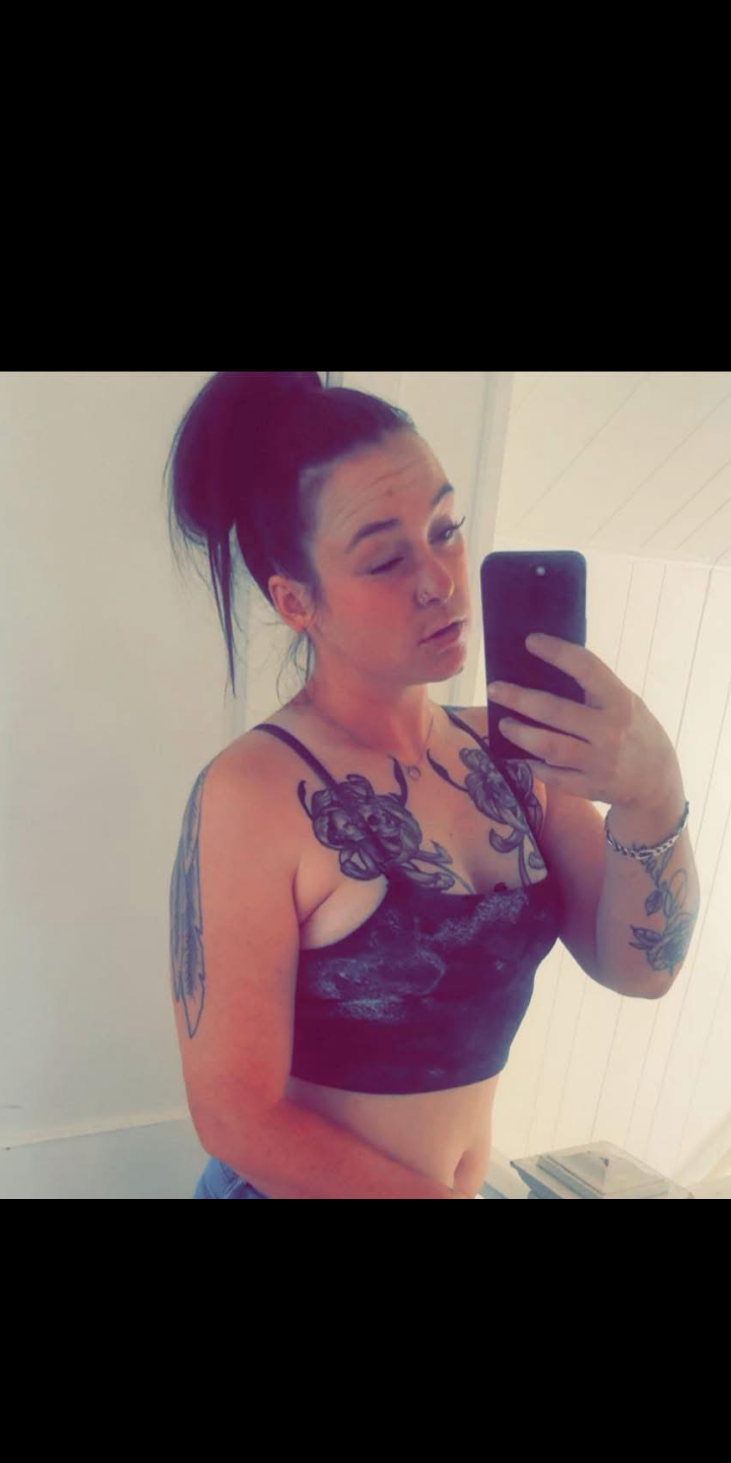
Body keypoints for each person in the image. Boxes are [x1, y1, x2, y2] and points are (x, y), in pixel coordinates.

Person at [166, 373, 563, 1198]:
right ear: (295, 601)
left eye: (446, 529)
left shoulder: (511, 748)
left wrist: (648, 789)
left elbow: (641, 967)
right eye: (385, 559)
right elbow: (236, 1116)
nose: (440, 578)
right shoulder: (251, 793)